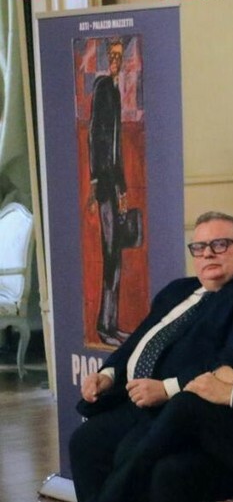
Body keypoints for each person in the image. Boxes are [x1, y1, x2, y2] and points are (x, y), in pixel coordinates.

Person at [0, 212, 233, 502]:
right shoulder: (179, 290)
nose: (207, 254)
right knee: (87, 442)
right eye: (199, 247)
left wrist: (165, 388)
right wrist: (109, 374)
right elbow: (137, 343)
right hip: (142, 401)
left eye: (220, 245)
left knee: (133, 451)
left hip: (191, 411)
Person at [88, 38, 129, 346]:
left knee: (116, 255)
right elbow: (95, 136)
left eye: (119, 56)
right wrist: (95, 183)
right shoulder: (103, 87)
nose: (116, 60)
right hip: (103, 187)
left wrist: (122, 188)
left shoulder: (114, 90)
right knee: (110, 254)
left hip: (113, 187)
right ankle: (104, 326)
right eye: (112, 56)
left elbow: (116, 147)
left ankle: (111, 325)